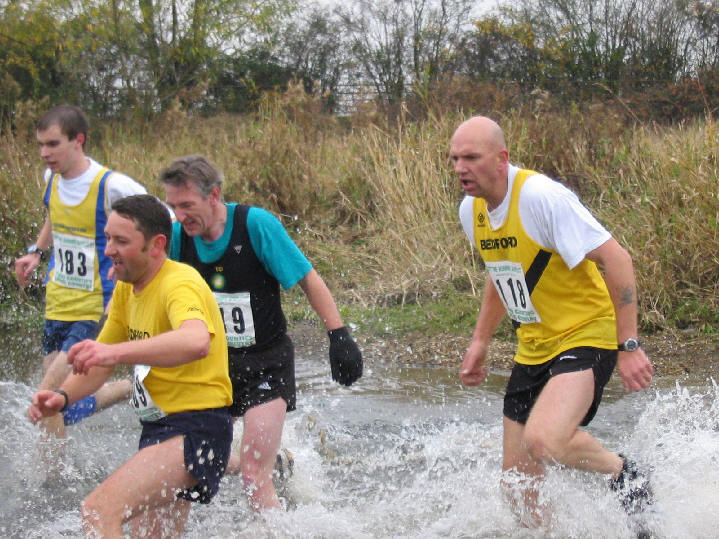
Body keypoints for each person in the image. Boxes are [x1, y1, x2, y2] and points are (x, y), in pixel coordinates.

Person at [451, 116, 655, 524]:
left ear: (501, 159)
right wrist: (480, 341)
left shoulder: (540, 197)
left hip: (586, 335)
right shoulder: (470, 211)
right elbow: (501, 271)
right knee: (518, 488)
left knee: (545, 440)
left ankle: (625, 473)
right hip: (534, 346)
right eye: (454, 159)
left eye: (471, 158)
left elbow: (617, 258)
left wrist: (629, 344)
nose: (460, 168)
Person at [158, 154, 363, 512]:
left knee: (254, 475)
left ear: (214, 195)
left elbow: (308, 279)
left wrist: (339, 335)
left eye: (187, 205)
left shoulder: (255, 225)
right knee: (195, 462)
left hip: (265, 365)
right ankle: (277, 461)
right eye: (173, 206)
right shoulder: (176, 238)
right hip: (210, 369)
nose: (180, 215)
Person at [28, 194, 233, 537]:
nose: (109, 249)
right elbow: (99, 364)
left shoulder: (179, 283)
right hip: (159, 428)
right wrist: (62, 398)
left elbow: (196, 341)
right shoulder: (127, 289)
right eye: (108, 238)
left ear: (157, 245)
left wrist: (116, 353)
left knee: (98, 511)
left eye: (121, 241)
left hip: (197, 428)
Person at [15, 105, 141, 439]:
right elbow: (55, 217)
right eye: (41, 145)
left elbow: (163, 220)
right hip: (58, 302)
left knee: (46, 398)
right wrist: (37, 251)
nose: (44, 153)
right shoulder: (51, 178)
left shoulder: (113, 185)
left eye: (53, 144)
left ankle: (50, 472)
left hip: (94, 306)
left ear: (78, 141)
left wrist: (132, 278)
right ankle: (129, 387)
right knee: (60, 409)